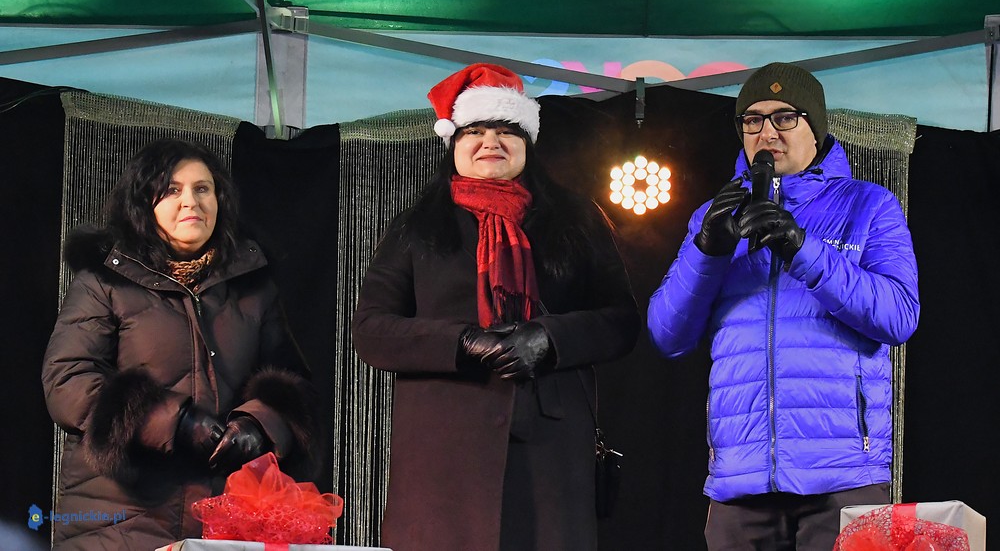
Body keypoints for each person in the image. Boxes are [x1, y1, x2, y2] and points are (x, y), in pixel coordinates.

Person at [351, 63, 640, 551]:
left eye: (506, 130)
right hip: (444, 453)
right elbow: (371, 329)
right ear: (453, 143)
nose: (491, 141)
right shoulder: (417, 226)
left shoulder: (576, 219)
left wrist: (548, 338)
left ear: (527, 143)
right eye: (475, 131)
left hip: (550, 450)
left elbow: (621, 320)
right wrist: (463, 342)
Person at [647, 62, 920, 551]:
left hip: (843, 477)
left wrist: (802, 249)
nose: (767, 132)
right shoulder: (712, 216)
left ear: (816, 128)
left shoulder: (869, 205)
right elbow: (668, 336)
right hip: (740, 481)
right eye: (752, 120)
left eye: (785, 117)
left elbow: (898, 316)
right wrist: (706, 251)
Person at [42, 138, 318, 550]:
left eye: (203, 188)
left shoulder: (255, 288)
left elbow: (291, 382)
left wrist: (259, 425)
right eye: (172, 190)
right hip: (119, 520)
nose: (191, 201)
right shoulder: (103, 281)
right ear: (143, 203)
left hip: (223, 519)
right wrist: (175, 421)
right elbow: (67, 379)